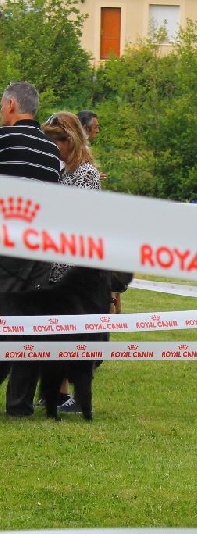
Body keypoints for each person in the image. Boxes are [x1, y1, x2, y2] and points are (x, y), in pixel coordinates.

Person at [0, 82, 61, 418]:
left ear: (10, 105)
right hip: (38, 249)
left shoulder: (2, 140)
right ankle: (20, 405)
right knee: (29, 326)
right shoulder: (51, 152)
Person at [41, 111, 103, 413]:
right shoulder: (61, 171)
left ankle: (72, 394)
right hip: (54, 265)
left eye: (57, 142)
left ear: (71, 140)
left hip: (74, 267)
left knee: (74, 335)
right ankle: (56, 392)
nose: (54, 148)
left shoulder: (86, 174)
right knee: (55, 333)